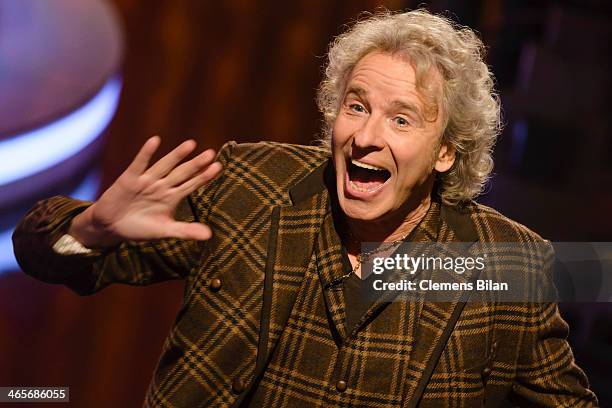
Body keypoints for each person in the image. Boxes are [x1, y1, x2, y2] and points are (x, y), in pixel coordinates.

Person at [13, 8, 597, 408]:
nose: (367, 137)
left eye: (401, 119)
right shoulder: (249, 189)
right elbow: (39, 249)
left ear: (446, 151)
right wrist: (92, 229)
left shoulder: (502, 262)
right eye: (356, 106)